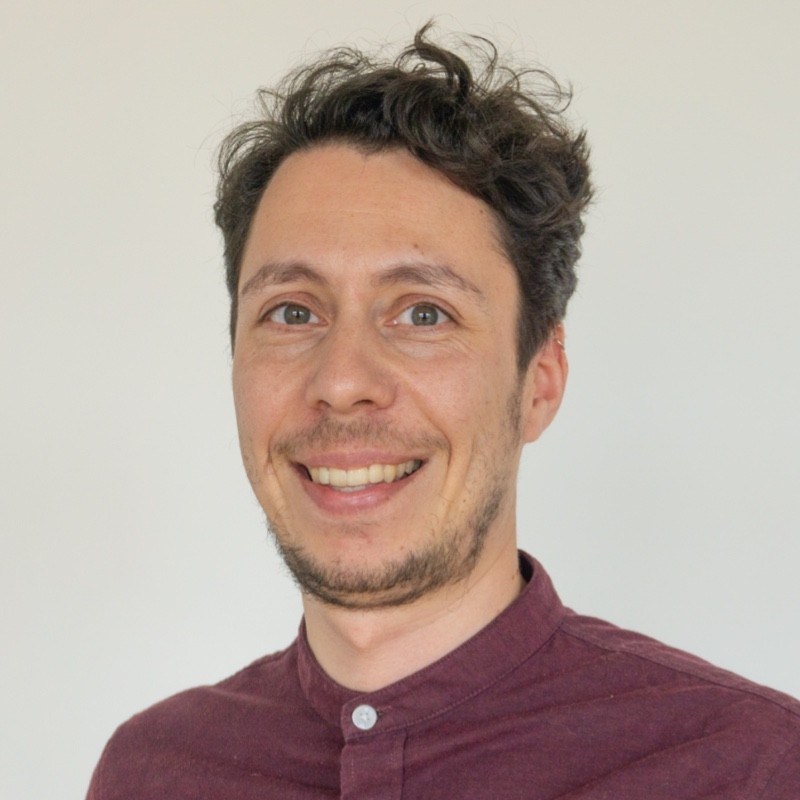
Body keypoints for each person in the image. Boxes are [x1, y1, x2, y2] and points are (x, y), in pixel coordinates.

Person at [86, 26, 800, 799]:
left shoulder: (754, 769)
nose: (342, 381)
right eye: (292, 312)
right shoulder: (149, 773)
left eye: (423, 314)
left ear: (540, 381)